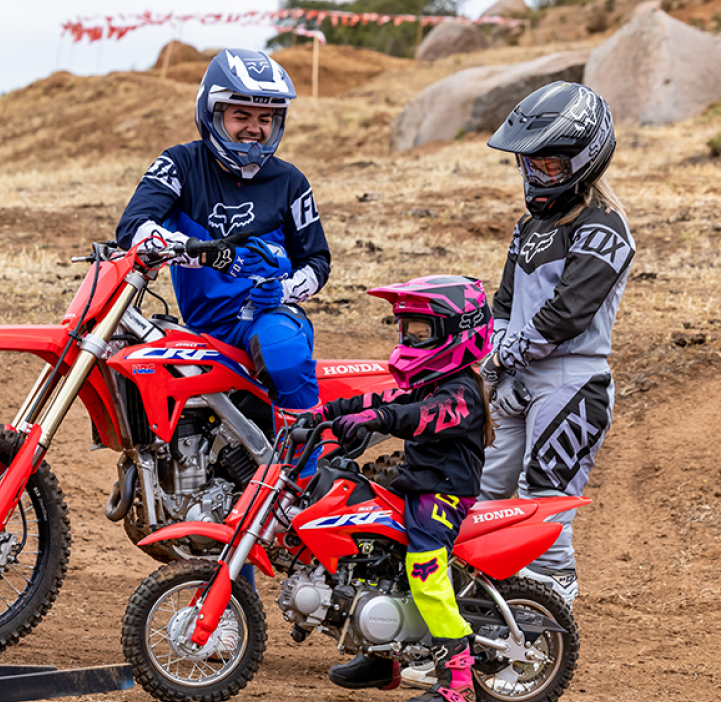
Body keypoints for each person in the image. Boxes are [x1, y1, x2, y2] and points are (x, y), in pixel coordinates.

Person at [303, 275, 496, 702]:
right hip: (415, 482)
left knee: (425, 573)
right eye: (406, 330)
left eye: (421, 333)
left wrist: (377, 421)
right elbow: (381, 400)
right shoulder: (426, 382)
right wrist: (322, 413)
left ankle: (457, 681)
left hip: (442, 493)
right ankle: (381, 655)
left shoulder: (461, 392)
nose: (410, 340)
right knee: (373, 558)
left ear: (458, 333)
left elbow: (419, 415)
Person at [478, 81, 634, 609]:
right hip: (518, 374)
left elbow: (567, 313)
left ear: (584, 160)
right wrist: (499, 356)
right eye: (531, 163)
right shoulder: (529, 225)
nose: (537, 174)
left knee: (543, 493)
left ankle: (549, 602)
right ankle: (478, 601)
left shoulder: (605, 228)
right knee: (482, 488)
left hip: (572, 379)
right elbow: (504, 301)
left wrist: (503, 357)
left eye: (550, 164)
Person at [115, 47, 330, 416]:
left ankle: (307, 451)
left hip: (266, 318)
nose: (254, 128)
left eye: (266, 118)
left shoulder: (291, 182)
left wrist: (283, 291)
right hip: (201, 326)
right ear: (212, 113)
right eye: (241, 115)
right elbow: (133, 226)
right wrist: (199, 251)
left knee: (282, 349)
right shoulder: (179, 164)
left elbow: (317, 261)